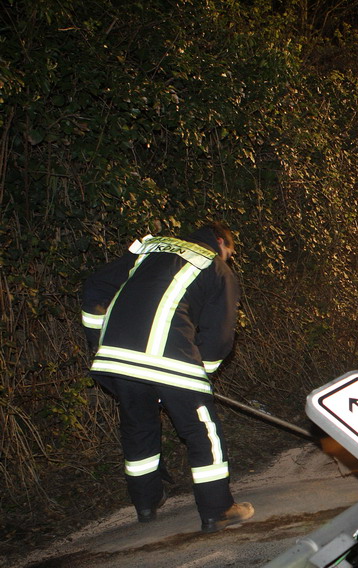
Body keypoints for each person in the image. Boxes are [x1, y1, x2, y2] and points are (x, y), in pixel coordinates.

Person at [81, 221, 254, 533]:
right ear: (219, 241)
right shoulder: (215, 267)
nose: (229, 259)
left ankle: (146, 504)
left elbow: (96, 287)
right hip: (171, 358)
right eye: (229, 252)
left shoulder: (149, 247)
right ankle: (218, 510)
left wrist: (97, 338)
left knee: (138, 427)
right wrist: (203, 373)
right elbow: (219, 334)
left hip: (118, 359)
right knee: (202, 431)